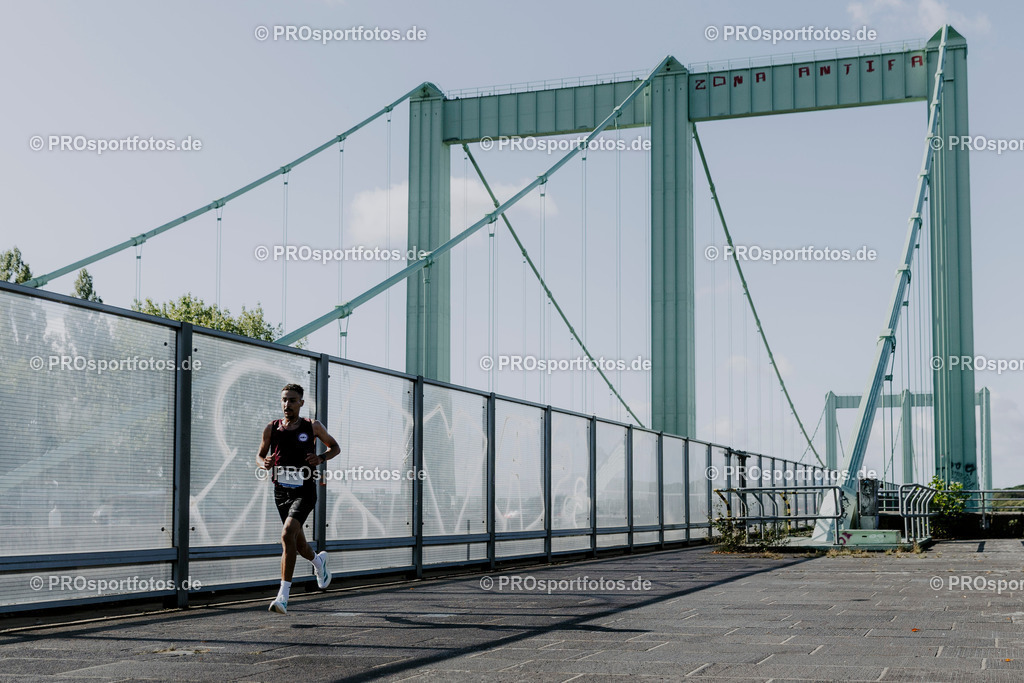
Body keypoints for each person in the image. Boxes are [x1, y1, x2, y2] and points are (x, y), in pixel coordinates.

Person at [257, 383, 340, 614]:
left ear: (301, 403)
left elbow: (335, 447)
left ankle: (283, 596)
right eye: (284, 400)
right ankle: (318, 562)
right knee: (299, 544)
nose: (287, 404)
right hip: (281, 492)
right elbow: (260, 455)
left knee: (286, 535)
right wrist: (263, 463)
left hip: (304, 491)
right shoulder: (272, 428)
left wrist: (321, 458)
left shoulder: (311, 426)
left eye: (292, 400)